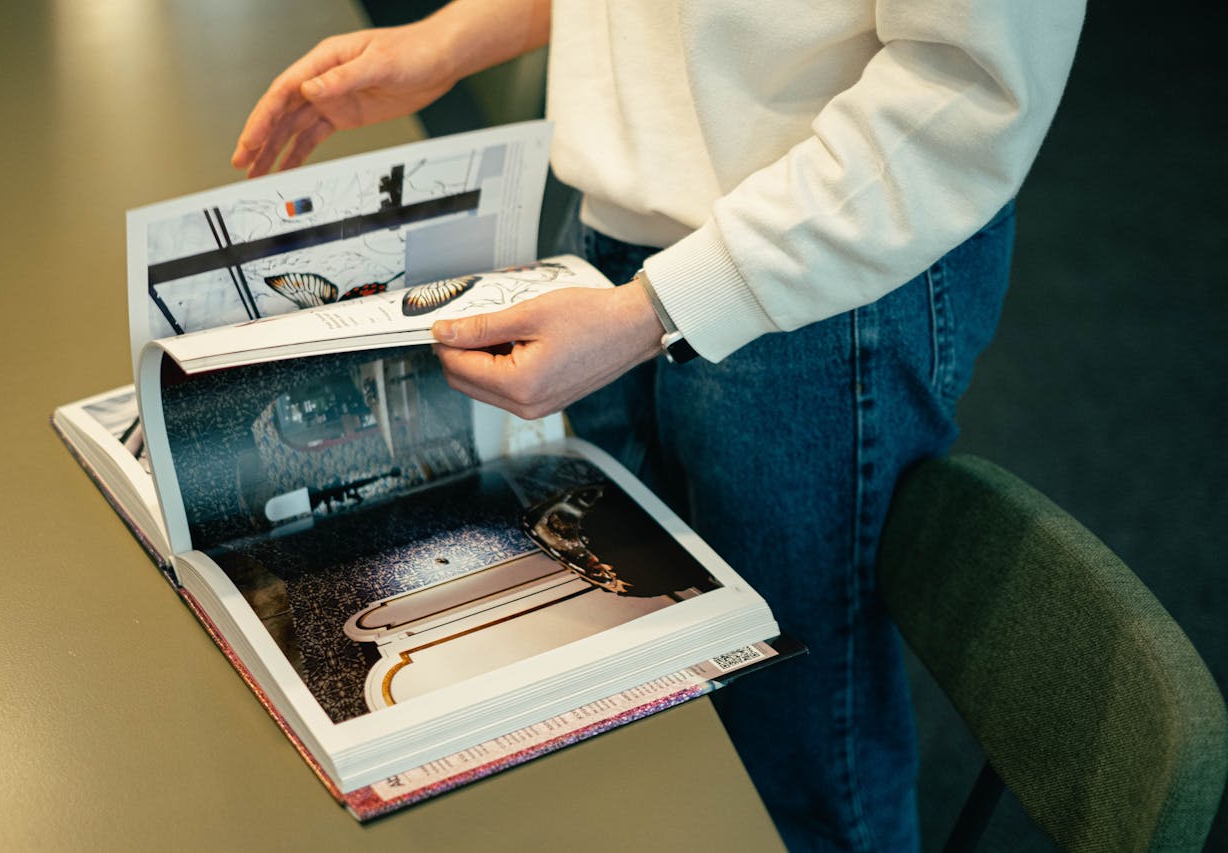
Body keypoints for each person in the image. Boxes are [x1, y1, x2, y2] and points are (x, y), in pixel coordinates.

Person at [232, 2, 1085, 848]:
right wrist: (455, 37)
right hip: (614, 226)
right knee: (628, 676)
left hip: (822, 267)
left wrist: (659, 310)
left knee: (799, 740)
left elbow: (970, 84)